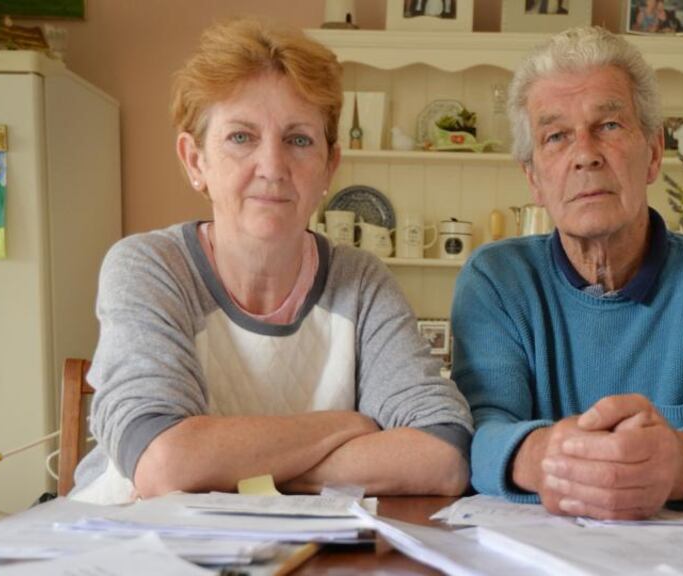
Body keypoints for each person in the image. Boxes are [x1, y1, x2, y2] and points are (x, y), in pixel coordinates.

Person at [71, 19, 472, 504]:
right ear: (195, 160)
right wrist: (348, 426)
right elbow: (164, 464)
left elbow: (442, 454)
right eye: (241, 137)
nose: (273, 167)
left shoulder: (360, 281)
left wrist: (237, 469)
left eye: (299, 139)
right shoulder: (150, 267)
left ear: (329, 166)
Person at [450, 26, 683, 520]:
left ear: (653, 152)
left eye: (608, 125)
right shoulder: (497, 280)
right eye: (556, 136)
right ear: (534, 179)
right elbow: (475, 437)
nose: (585, 153)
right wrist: (544, 456)